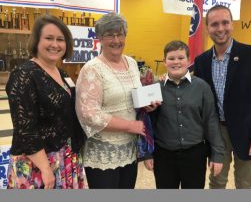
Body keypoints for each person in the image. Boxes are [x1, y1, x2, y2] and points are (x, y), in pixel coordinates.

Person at [194, 5, 251, 189]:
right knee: (216, 181)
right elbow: (198, 99)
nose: (220, 28)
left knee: (245, 183)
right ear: (207, 29)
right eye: (214, 24)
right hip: (216, 133)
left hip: (247, 133)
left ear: (232, 25)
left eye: (225, 22)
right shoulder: (201, 61)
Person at [75, 12, 159, 189]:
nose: (116, 40)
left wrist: (146, 106)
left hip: (129, 150)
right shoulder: (92, 69)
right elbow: (89, 115)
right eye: (110, 35)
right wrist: (131, 126)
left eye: (120, 34)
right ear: (100, 38)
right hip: (104, 153)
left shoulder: (132, 63)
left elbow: (131, 99)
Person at [5, 14, 87, 189]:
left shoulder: (62, 74)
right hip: (37, 163)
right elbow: (25, 128)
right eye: (49, 38)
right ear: (36, 41)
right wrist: (45, 168)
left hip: (65, 156)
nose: (55, 44)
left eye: (60, 39)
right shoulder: (24, 74)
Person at [143, 40, 225, 189]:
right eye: (171, 58)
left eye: (181, 58)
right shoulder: (154, 88)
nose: (176, 62)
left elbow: (210, 121)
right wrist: (147, 154)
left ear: (188, 60)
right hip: (164, 156)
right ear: (165, 61)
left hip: (195, 155)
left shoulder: (202, 87)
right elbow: (148, 123)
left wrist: (217, 154)